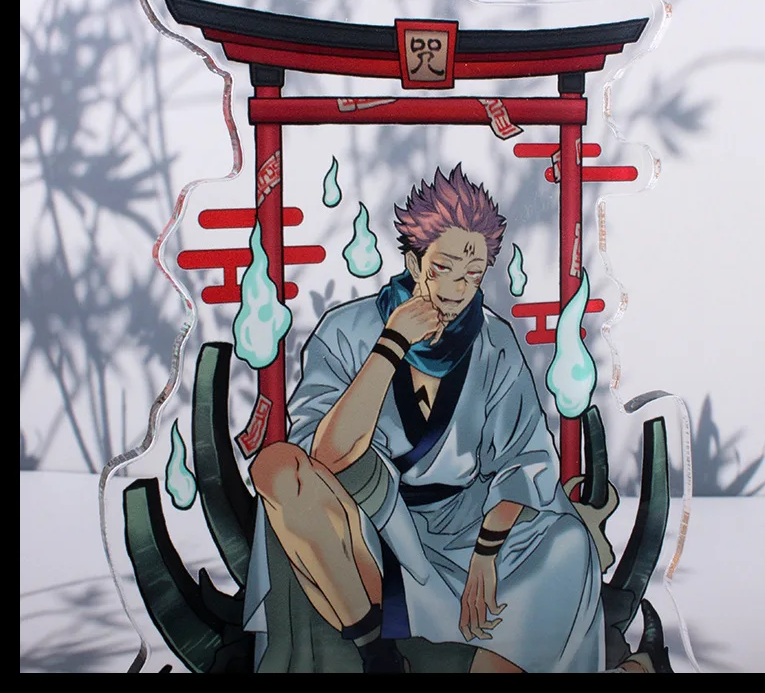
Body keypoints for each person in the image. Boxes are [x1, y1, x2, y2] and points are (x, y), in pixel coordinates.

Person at [247, 164, 605, 673]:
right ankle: (376, 651)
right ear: (415, 262)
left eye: (473, 274)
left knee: (567, 544)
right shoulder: (347, 330)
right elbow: (322, 456)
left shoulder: (494, 341)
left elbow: (526, 459)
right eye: (445, 268)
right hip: (367, 523)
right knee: (277, 469)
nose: (459, 288)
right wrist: (391, 344)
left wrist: (487, 551)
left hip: (467, 525)